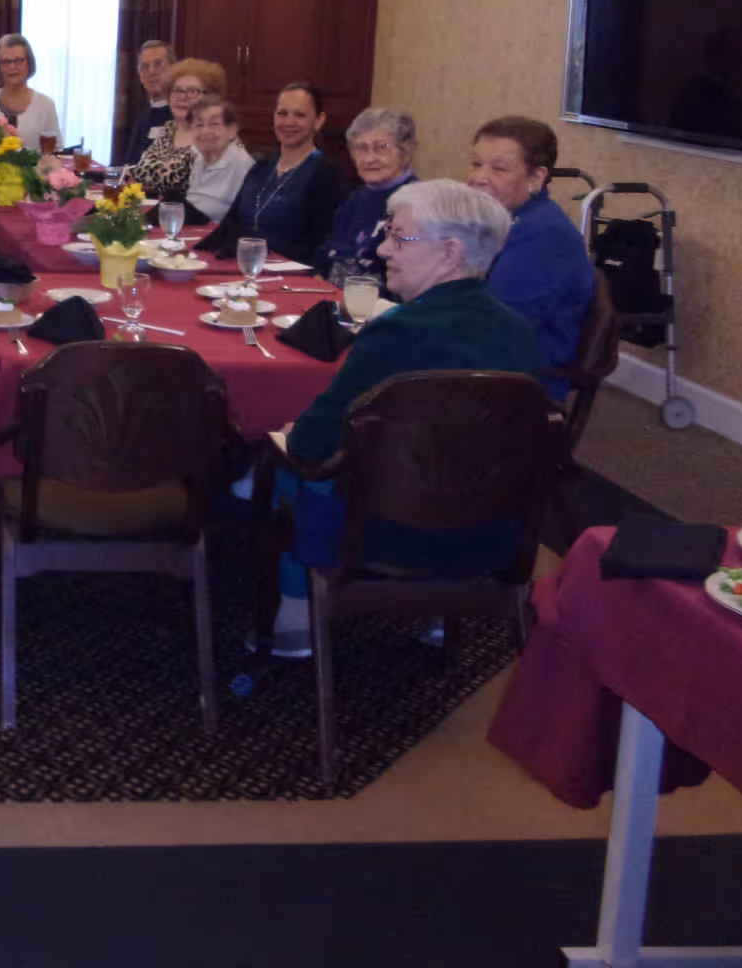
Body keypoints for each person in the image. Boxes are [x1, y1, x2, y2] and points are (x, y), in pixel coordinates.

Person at [260, 180, 546, 656]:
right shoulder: (519, 332)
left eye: (400, 238)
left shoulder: (396, 333)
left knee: (283, 466)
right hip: (491, 532)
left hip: (382, 532)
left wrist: (288, 435)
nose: (383, 248)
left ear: (450, 252)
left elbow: (314, 446)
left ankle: (295, 618)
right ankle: (436, 614)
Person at [466, 115, 596, 392]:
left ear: (536, 177)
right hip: (485, 355)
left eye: (500, 168)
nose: (479, 178)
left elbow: (491, 325)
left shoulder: (544, 234)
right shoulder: (499, 218)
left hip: (515, 383)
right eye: (476, 164)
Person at [203, 82, 349, 265]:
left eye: (300, 115)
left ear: (319, 121)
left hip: (290, 276)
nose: (288, 122)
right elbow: (231, 224)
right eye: (282, 113)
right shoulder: (262, 166)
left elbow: (320, 246)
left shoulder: (326, 174)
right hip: (241, 267)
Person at [317, 107, 418, 285]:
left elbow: (409, 279)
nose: (369, 158)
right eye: (361, 148)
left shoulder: (418, 204)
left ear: (405, 151)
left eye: (382, 148)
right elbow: (326, 254)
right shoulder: (355, 199)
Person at [132, 59, 227, 199]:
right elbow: (142, 174)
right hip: (151, 211)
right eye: (176, 91)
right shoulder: (169, 128)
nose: (182, 97)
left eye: (192, 91)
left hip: (194, 217)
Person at [0, 33, 62, 150]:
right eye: (6, 62)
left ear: (29, 64)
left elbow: (57, 150)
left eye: (18, 61)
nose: (12, 67)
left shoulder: (46, 105)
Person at [184, 96, 255, 224]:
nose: (205, 131)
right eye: (199, 125)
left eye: (214, 124)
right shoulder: (196, 156)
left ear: (232, 130)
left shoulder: (241, 165)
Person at [120, 39, 176, 164]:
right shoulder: (140, 116)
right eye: (145, 67)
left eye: (158, 64)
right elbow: (129, 165)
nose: (151, 72)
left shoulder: (182, 116)